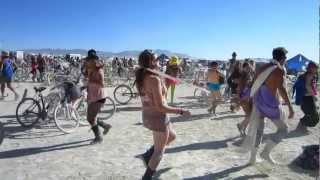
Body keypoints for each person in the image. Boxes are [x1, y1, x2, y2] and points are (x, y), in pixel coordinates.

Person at [136, 50, 190, 180]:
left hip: (148, 115)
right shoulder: (153, 79)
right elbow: (160, 106)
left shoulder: (142, 76)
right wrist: (181, 111)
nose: (160, 62)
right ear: (152, 62)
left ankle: (147, 155)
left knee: (171, 136)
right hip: (158, 117)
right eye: (156, 60)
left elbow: (154, 95)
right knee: (159, 152)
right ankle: (146, 177)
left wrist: (167, 81)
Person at [241, 47, 294, 165]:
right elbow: (282, 89)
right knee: (284, 130)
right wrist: (290, 107)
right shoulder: (279, 70)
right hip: (270, 103)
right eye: (285, 58)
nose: (285, 60)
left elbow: (254, 83)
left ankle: (252, 159)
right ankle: (266, 152)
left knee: (258, 130)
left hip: (258, 101)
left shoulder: (261, 67)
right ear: (282, 58)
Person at [83, 49, 111, 144]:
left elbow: (102, 83)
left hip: (99, 96)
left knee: (91, 118)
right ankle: (105, 126)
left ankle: (98, 137)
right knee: (90, 117)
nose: (90, 61)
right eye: (89, 60)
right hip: (93, 95)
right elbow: (86, 76)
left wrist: (90, 81)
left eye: (92, 60)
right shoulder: (89, 68)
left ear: (95, 60)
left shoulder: (99, 70)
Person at [295, 62, 319, 133]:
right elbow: (307, 86)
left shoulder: (309, 75)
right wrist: (314, 96)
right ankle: (301, 125)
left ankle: (301, 126)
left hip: (306, 99)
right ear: (311, 68)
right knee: (313, 116)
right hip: (307, 99)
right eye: (315, 68)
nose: (316, 69)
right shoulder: (309, 75)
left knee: (310, 115)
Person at [236, 62, 254, 136]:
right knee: (249, 115)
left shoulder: (249, 75)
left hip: (249, 98)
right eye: (247, 68)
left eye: (249, 67)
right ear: (243, 68)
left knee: (249, 115)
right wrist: (239, 99)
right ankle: (240, 126)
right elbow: (239, 89)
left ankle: (243, 129)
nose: (249, 69)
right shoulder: (243, 77)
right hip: (244, 99)